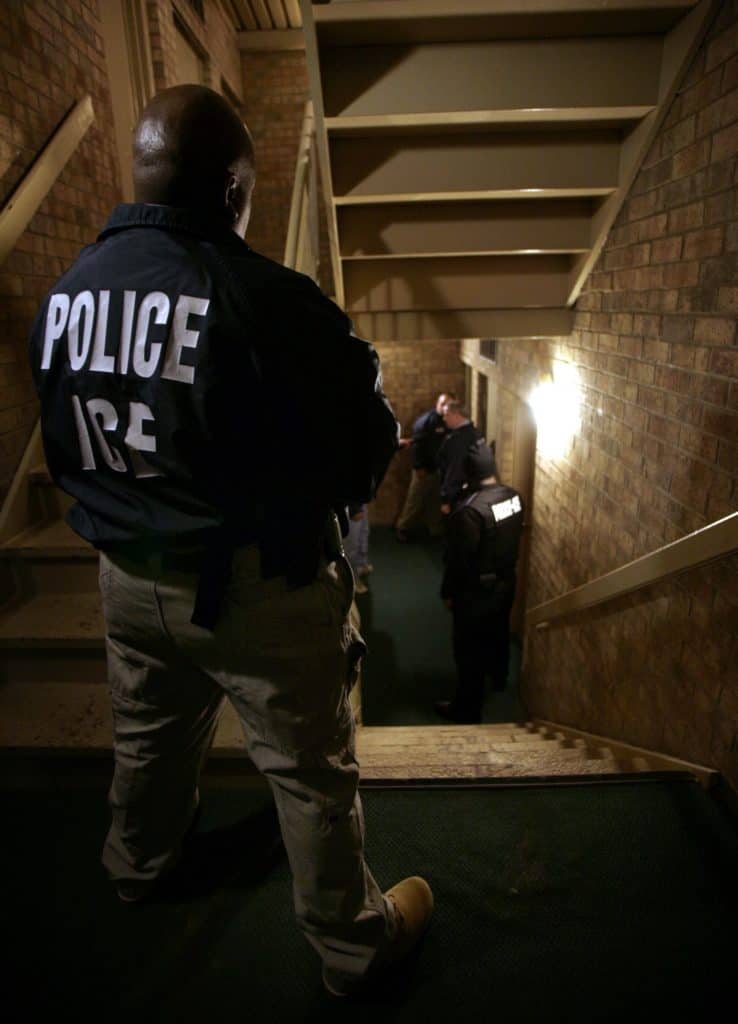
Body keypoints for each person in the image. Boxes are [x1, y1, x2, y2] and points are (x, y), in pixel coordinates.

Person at [29, 85, 432, 997]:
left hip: (127, 577)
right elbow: (361, 458)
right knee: (311, 771)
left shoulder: (65, 298)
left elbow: (62, 444)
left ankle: (137, 866)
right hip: (258, 589)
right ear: (233, 192)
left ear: (144, 174)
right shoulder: (270, 301)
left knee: (147, 740)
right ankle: (350, 943)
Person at [435, 441, 524, 724]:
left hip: (475, 592)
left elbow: (459, 561)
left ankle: (467, 708)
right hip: (506, 582)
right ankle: (499, 676)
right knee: (499, 631)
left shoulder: (470, 512)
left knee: (468, 650)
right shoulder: (513, 496)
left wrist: (448, 593)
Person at [395, 391, 455, 541]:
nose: (445, 407)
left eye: (448, 404)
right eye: (442, 404)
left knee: (435, 500)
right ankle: (402, 528)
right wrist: (419, 467)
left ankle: (435, 530)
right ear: (437, 404)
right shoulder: (426, 421)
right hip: (423, 469)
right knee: (415, 500)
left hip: (438, 469)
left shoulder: (448, 421)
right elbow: (417, 445)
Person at [436, 399, 484, 514]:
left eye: (447, 415)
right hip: (474, 493)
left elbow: (455, 470)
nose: (444, 419)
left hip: (459, 496)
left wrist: (446, 500)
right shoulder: (476, 433)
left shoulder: (458, 440)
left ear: (456, 415)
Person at [345, 502, 372, 594]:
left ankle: (361, 563)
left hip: (360, 497)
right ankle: (353, 580)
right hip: (351, 501)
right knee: (352, 545)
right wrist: (354, 507)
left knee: (364, 531)